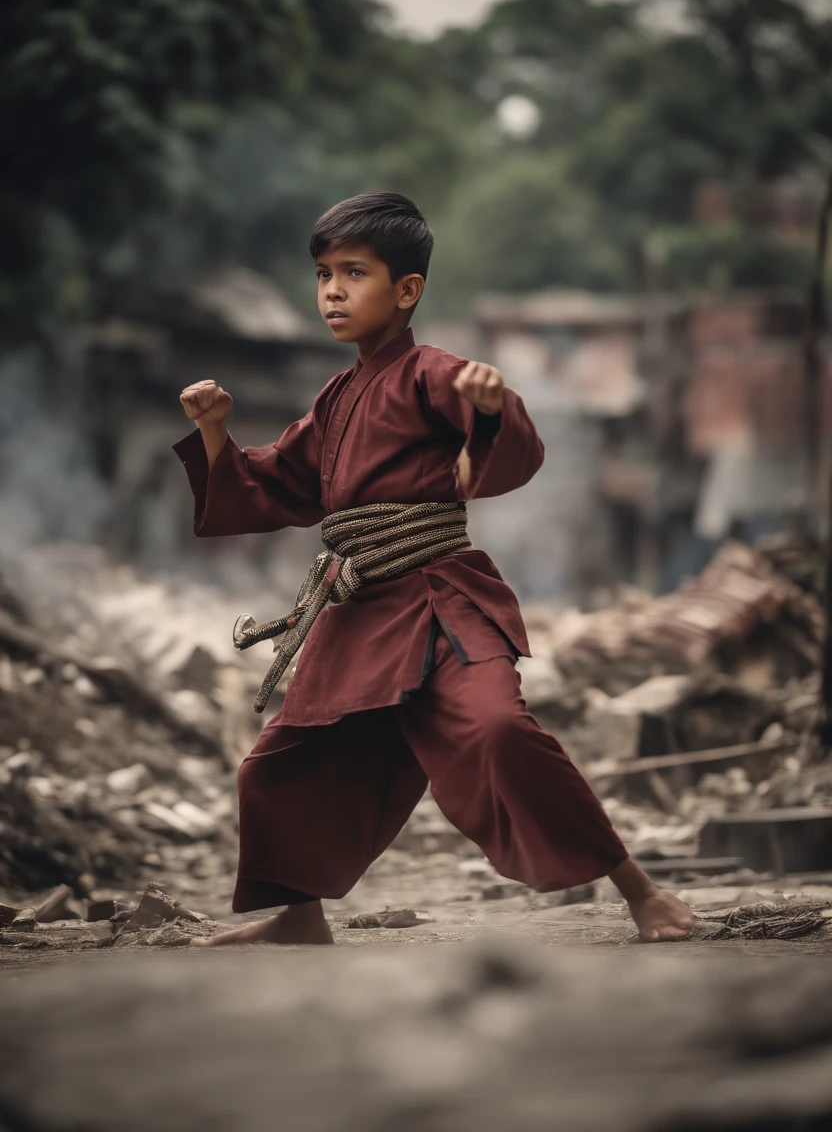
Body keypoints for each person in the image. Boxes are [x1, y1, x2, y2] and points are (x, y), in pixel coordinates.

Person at [174, 191, 695, 947]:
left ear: (407, 290)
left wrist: (487, 410)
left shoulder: (434, 372)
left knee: (498, 731)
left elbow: (508, 446)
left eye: (355, 273)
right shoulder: (336, 397)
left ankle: (640, 893)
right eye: (323, 275)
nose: (333, 292)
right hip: (357, 613)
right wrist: (216, 432)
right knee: (274, 767)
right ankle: (299, 918)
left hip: (436, 601)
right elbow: (274, 484)